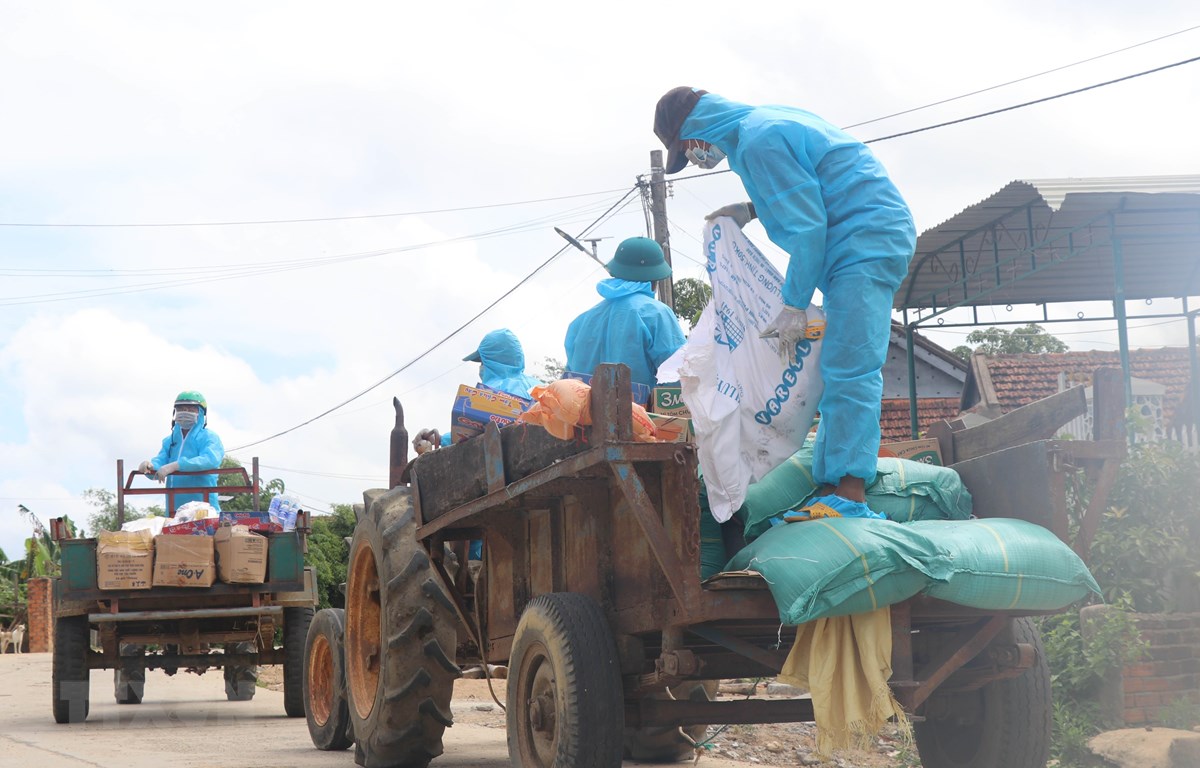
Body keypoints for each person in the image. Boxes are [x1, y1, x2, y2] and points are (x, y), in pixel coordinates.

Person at [653, 87, 916, 520]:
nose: (697, 157)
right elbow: (812, 185)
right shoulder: (757, 129)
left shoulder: (759, 139)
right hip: (852, 240)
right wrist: (754, 209)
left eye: (689, 149)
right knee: (835, 366)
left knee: (851, 366)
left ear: (696, 130)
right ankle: (834, 486)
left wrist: (793, 306)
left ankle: (850, 492)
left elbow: (810, 227)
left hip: (864, 240)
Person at [564, 236, 686, 396]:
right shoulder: (657, 314)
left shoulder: (581, 321)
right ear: (655, 279)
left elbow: (570, 379)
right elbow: (679, 375)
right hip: (643, 418)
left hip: (584, 417)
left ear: (616, 272)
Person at [138, 390, 224, 515]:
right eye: (181, 409)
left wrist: (177, 465)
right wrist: (149, 467)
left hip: (203, 508)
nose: (185, 413)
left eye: (190, 409)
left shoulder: (209, 437)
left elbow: (210, 459)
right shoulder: (171, 440)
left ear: (201, 413)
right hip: (175, 510)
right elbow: (160, 463)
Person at [464, 327, 541, 399]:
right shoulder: (540, 388)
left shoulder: (488, 393)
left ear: (492, 362)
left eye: (482, 362)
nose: (481, 367)